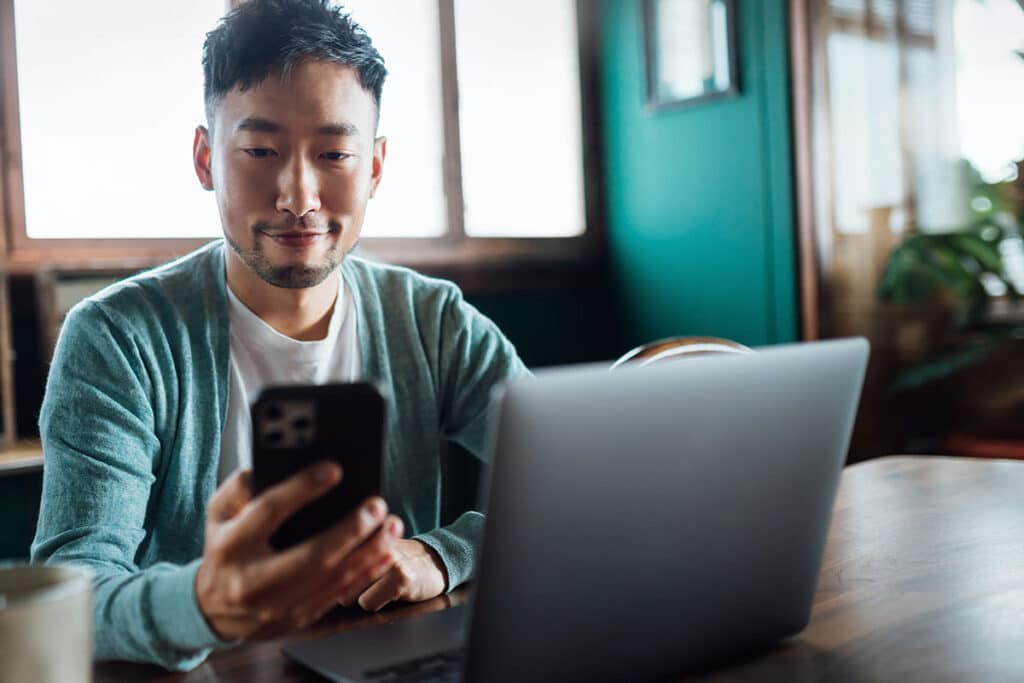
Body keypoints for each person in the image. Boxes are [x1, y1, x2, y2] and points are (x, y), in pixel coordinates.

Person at [30, 0, 527, 671]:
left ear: (375, 168)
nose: (298, 195)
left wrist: (446, 553)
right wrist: (204, 602)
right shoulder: (117, 338)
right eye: (261, 151)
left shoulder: (432, 321)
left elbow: (573, 491)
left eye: (334, 153)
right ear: (206, 158)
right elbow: (74, 592)